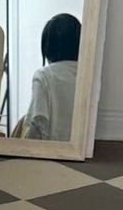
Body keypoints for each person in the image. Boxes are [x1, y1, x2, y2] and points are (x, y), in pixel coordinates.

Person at [23, 12, 81, 141]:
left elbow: (38, 123)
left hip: (52, 150)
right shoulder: (88, 76)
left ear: (48, 47)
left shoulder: (44, 76)